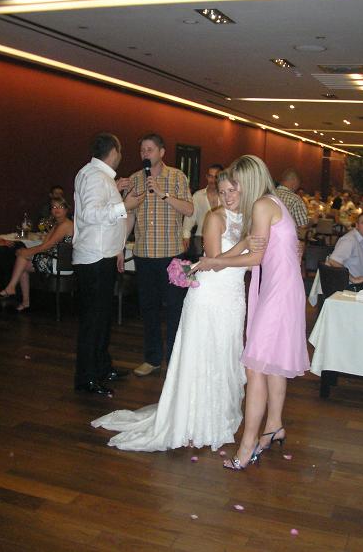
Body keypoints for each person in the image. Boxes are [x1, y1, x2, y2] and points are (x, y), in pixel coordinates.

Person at [92, 172, 250, 451]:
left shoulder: (247, 219)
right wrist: (245, 244)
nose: (227, 197)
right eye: (223, 191)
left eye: (232, 191)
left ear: (244, 189)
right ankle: (195, 417)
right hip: (210, 298)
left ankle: (218, 412)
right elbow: (214, 263)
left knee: (225, 353)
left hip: (233, 298)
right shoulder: (215, 218)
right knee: (205, 356)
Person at [195, 155, 309, 470]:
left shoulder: (262, 205)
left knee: (255, 366)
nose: (236, 190)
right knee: (272, 363)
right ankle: (274, 426)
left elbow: (255, 257)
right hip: (282, 286)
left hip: (279, 290)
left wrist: (216, 261)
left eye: (238, 184)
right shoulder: (273, 202)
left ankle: (247, 446)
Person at [73, 133, 140, 397]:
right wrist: (125, 205)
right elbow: (91, 215)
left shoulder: (99, 176)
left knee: (101, 318)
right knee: (94, 321)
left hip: (103, 254)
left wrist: (117, 190)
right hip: (95, 257)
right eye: (120, 151)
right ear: (114, 151)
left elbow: (100, 209)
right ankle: (86, 378)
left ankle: (101, 367)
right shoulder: (95, 177)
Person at [128, 133, 193, 377]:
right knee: (149, 309)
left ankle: (175, 361)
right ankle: (152, 358)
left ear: (162, 152)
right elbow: (130, 215)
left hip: (173, 255)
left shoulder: (177, 176)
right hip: (144, 254)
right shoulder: (135, 179)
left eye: (150, 149)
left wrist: (163, 194)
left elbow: (189, 209)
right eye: (142, 150)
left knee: (176, 308)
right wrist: (119, 247)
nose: (145, 154)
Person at [0, 196, 74, 311]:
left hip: (61, 263)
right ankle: (22, 298)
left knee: (22, 258)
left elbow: (47, 246)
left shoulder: (66, 224)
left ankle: (13, 289)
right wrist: (26, 252)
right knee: (22, 262)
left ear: (66, 209)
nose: (57, 209)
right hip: (54, 258)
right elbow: (45, 243)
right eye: (54, 207)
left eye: (60, 207)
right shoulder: (57, 224)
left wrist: (26, 252)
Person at [182, 163, 223, 258]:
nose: (213, 180)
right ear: (206, 177)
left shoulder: (226, 196)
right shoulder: (198, 196)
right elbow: (190, 217)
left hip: (222, 238)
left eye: (216, 177)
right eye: (210, 176)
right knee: (200, 264)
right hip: (200, 238)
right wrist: (185, 235)